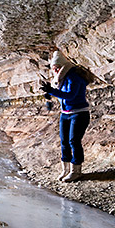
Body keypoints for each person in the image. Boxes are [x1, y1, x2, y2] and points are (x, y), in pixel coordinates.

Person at [40, 51, 91, 182]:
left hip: (79, 113)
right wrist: (48, 95)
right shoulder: (60, 79)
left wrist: (51, 91)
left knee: (74, 141)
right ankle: (66, 170)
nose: (55, 69)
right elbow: (60, 94)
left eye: (57, 66)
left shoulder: (74, 77)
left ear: (63, 66)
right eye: (53, 68)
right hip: (66, 114)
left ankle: (76, 171)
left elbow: (70, 96)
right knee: (64, 142)